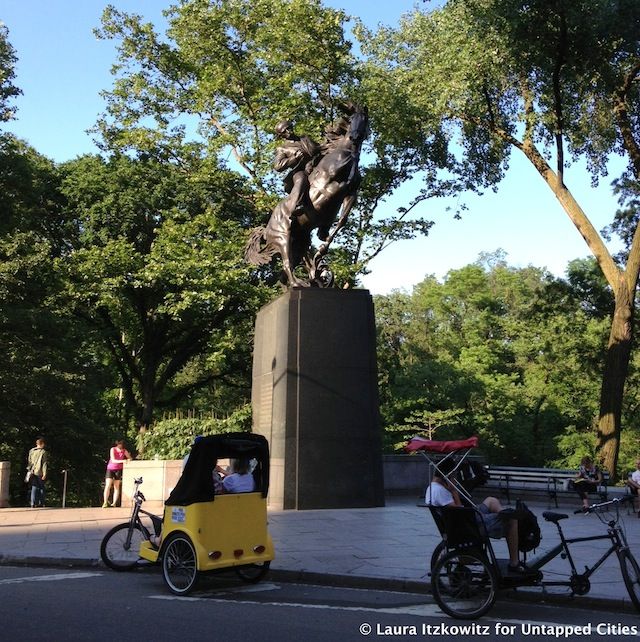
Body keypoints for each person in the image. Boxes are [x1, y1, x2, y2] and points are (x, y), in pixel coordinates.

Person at [426, 458, 526, 574]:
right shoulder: (439, 491)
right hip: (469, 525)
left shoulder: (434, 487)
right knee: (512, 520)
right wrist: (454, 491)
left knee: (491, 500)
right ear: (447, 474)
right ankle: (514, 563)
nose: (455, 476)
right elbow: (458, 510)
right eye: (454, 473)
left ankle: (501, 515)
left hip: (468, 518)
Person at [102, 439, 132, 508]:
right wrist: (123, 461)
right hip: (111, 468)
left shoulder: (124, 451)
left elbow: (130, 458)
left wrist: (128, 459)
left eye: (121, 444)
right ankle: (105, 502)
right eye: (119, 444)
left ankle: (114, 503)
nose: (120, 445)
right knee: (108, 485)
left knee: (117, 486)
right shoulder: (113, 449)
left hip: (118, 469)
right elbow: (113, 460)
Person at [27, 437, 48, 508]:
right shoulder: (43, 452)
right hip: (39, 471)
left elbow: (29, 461)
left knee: (34, 487)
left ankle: (33, 503)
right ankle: (42, 503)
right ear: (42, 444)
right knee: (42, 487)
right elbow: (44, 463)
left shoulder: (31, 451)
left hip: (32, 471)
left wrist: (29, 470)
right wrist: (44, 473)